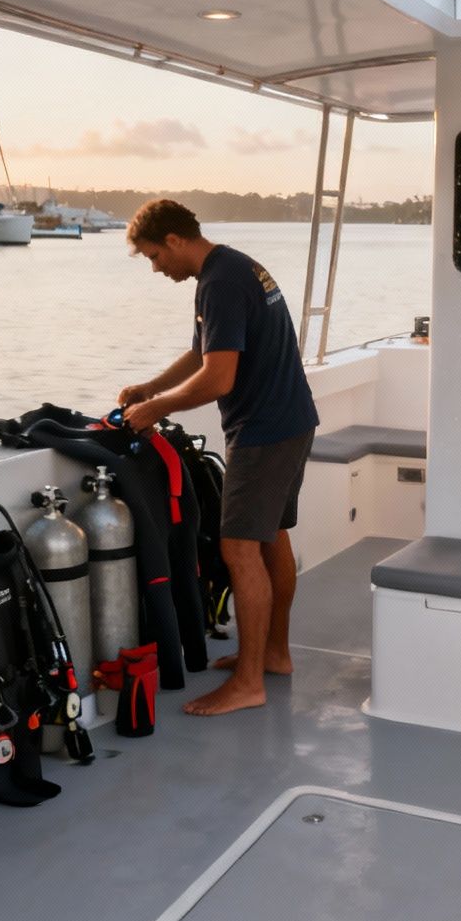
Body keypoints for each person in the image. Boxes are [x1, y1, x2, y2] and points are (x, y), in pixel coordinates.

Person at [116, 199, 319, 716]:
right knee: (271, 536)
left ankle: (249, 682)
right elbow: (203, 352)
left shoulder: (220, 281)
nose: (156, 268)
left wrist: (156, 409)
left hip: (264, 432)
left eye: (154, 256)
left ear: (176, 241)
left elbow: (218, 378)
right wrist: (151, 387)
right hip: (291, 421)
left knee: (239, 550)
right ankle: (273, 654)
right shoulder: (229, 268)